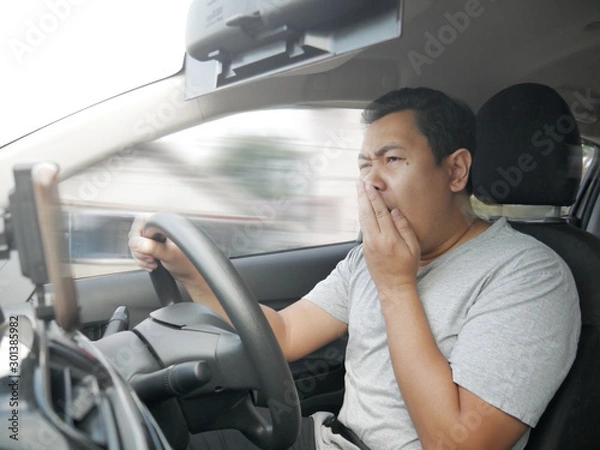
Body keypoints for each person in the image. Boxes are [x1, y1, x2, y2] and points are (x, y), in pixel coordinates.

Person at [128, 87, 580, 450]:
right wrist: (190, 273)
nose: (372, 180)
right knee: (147, 427)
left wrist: (396, 286)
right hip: (326, 436)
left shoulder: (529, 276)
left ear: (457, 171)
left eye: (393, 159)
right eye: (365, 164)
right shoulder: (370, 259)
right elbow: (283, 335)